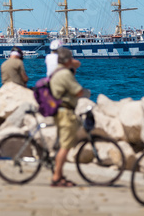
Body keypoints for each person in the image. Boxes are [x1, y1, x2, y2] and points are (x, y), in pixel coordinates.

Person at [49, 47, 87, 187]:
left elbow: (75, 65)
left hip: (59, 111)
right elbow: (78, 92)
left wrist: (73, 64)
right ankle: (57, 177)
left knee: (62, 145)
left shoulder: (57, 70)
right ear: (68, 60)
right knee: (65, 147)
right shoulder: (65, 74)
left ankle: (59, 175)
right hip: (65, 113)